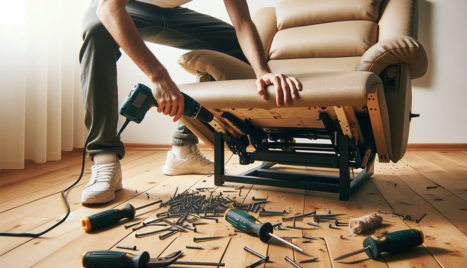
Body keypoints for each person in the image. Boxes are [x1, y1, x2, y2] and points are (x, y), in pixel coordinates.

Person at [79, 0, 302, 204]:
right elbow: (109, 9)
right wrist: (158, 75)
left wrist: (261, 71)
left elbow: (243, 23)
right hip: (125, 7)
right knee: (97, 30)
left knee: (245, 50)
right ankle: (105, 157)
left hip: (171, 14)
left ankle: (183, 151)